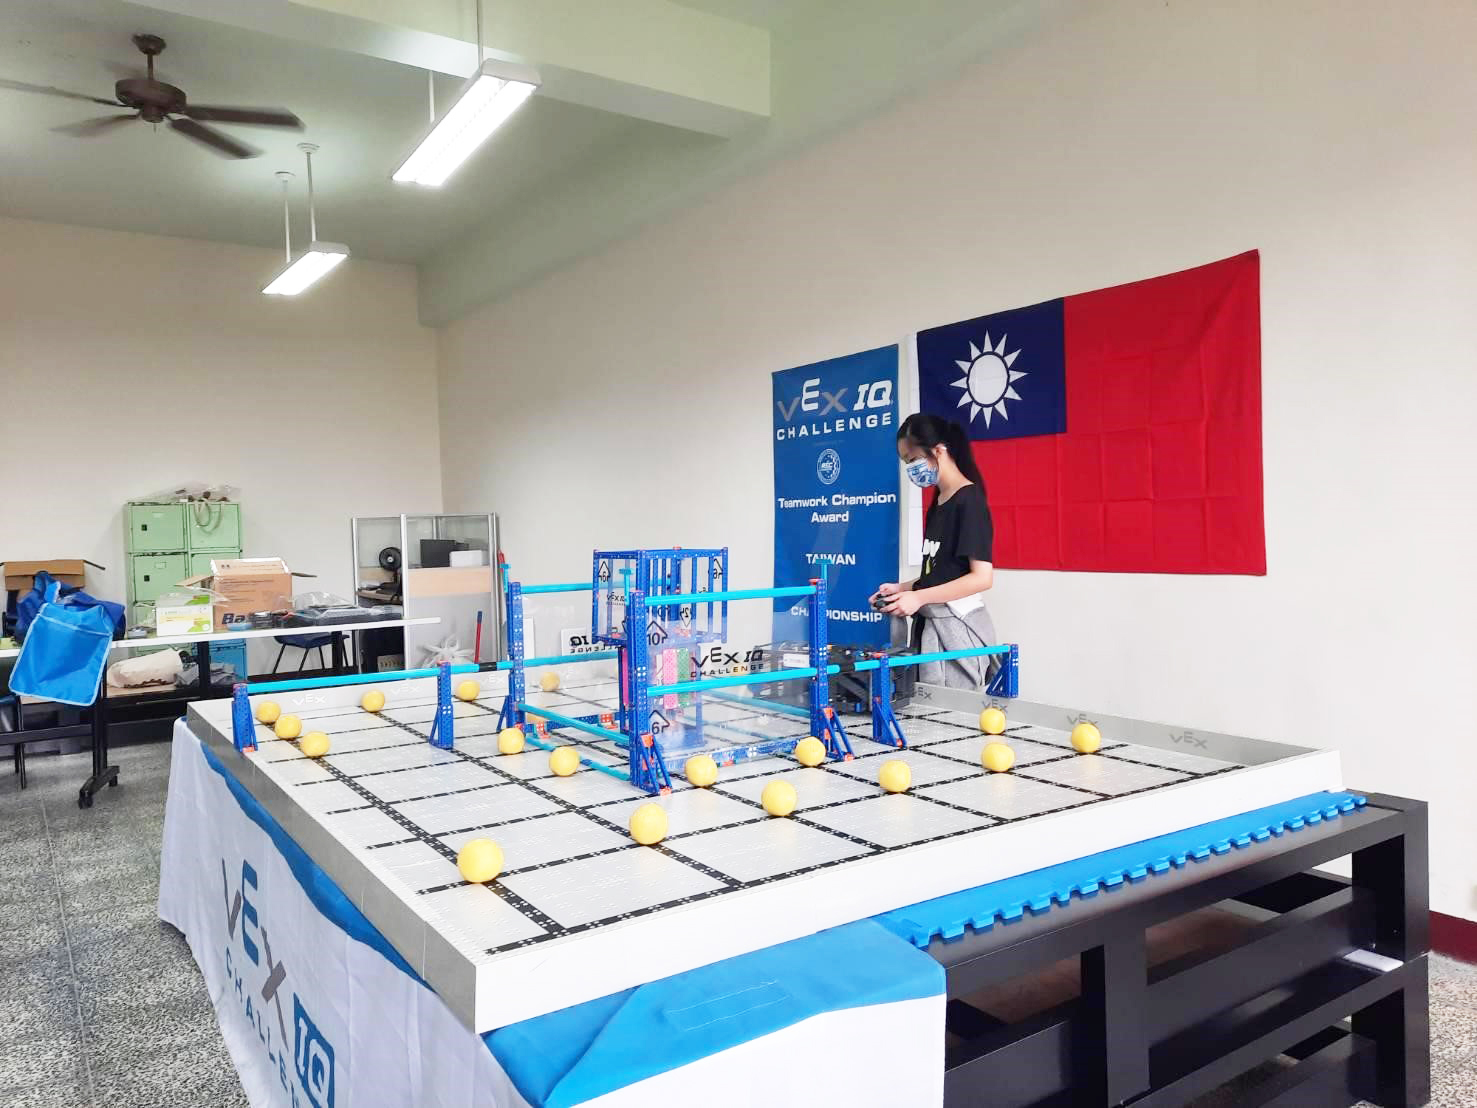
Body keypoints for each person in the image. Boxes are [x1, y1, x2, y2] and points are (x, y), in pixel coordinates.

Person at [875, 413, 999, 688]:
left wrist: (918, 597)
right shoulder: (939, 501)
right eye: (906, 463)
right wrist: (901, 590)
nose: (911, 469)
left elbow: (982, 578)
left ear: (939, 450)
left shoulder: (969, 500)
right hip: (929, 627)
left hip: (956, 631)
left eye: (913, 459)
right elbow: (939, 573)